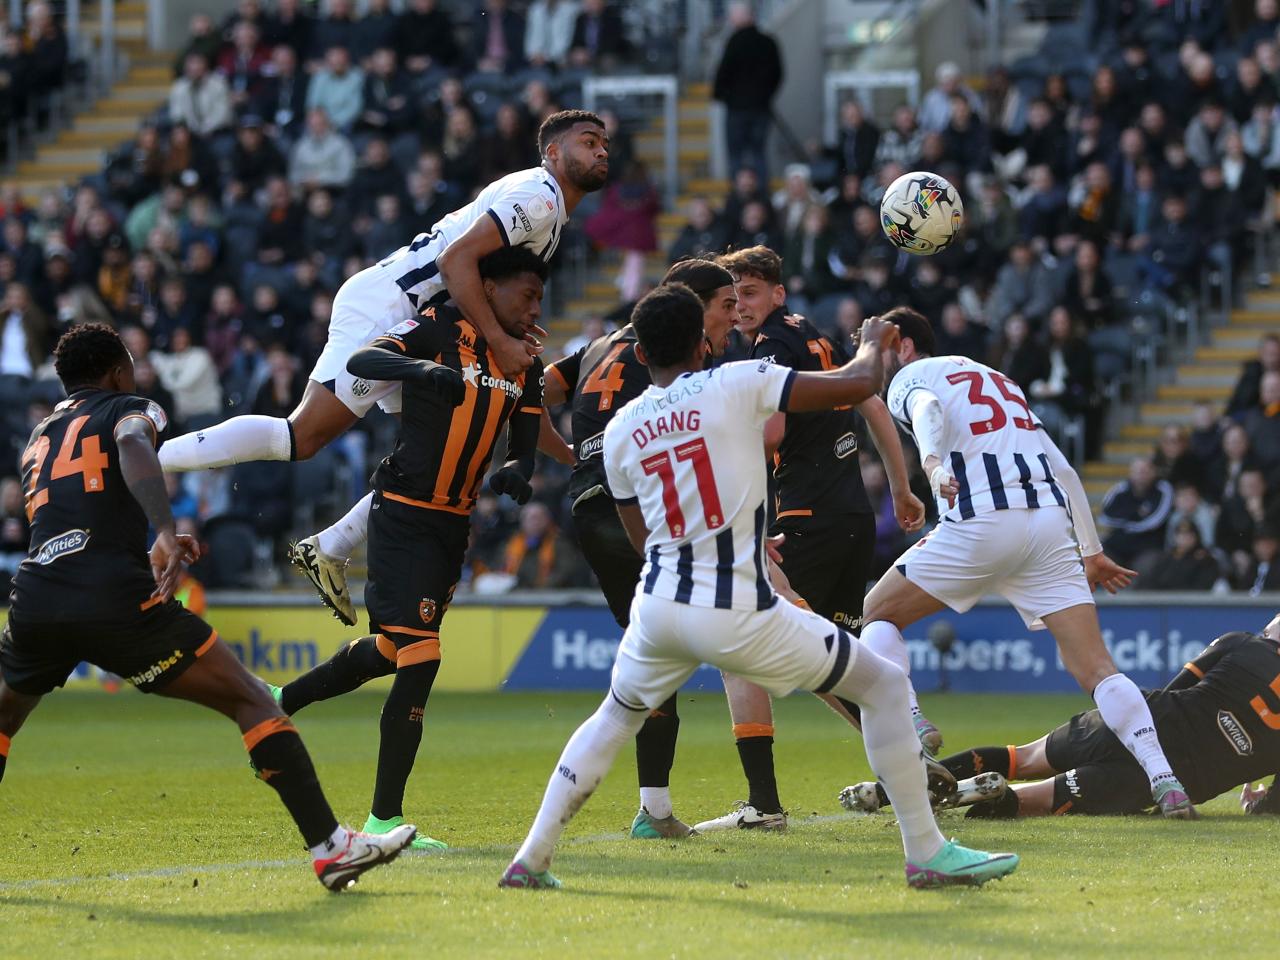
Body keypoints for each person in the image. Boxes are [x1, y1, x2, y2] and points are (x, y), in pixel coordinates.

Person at [499, 287, 1018, 890]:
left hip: (660, 606)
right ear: (701, 343)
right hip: (735, 605)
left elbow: (643, 538)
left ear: (640, 351)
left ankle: (530, 859)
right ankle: (927, 852)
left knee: (614, 717)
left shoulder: (619, 432)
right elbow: (852, 387)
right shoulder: (737, 380)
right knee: (884, 684)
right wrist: (876, 342)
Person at [0, 324, 415, 890]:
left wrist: (144, 550)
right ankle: (331, 848)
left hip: (36, 598)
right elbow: (130, 444)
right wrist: (167, 531)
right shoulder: (130, 407)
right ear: (117, 370)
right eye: (130, 361)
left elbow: (79, 519)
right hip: (112, 599)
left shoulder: (39, 435)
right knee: (251, 698)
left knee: (2, 722)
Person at [158, 110, 610, 624]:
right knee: (302, 436)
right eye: (588, 141)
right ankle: (152, 460)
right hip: (391, 308)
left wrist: (567, 450)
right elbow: (455, 262)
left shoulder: (548, 214)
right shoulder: (540, 197)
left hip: (424, 318)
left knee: (453, 445)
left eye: (604, 144)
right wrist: (499, 341)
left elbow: (488, 300)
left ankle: (330, 545)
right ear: (552, 152)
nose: (601, 151)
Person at [856, 309, 1199, 819]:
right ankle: (1164, 778)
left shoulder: (912, 376)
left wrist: (930, 463)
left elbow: (926, 407)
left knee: (877, 612)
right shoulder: (998, 379)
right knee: (1097, 668)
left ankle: (911, 719)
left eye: (876, 348)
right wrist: (1092, 549)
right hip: (1047, 525)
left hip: (983, 518)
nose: (872, 362)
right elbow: (1061, 465)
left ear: (902, 344)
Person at [264, 248, 548, 850]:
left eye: (540, 299)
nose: (534, 308)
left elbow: (524, 438)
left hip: (454, 524)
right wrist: (417, 371)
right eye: (525, 295)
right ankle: (383, 821)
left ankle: (280, 699)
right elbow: (362, 360)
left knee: (394, 648)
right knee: (421, 655)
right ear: (488, 287)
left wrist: (519, 472)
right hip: (402, 514)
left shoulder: (523, 358)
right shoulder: (441, 326)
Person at [692, 250, 926, 834]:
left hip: (805, 515)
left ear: (777, 294)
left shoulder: (768, 346)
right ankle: (918, 757)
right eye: (733, 296)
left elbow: (769, 430)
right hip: (851, 517)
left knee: (738, 645)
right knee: (837, 662)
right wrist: (900, 487)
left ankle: (764, 802)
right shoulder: (814, 337)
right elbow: (869, 400)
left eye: (748, 292)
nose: (739, 306)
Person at [539, 258, 744, 841]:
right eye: (725, 306)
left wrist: (567, 456)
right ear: (695, 305)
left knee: (658, 651)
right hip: (635, 505)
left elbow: (530, 393)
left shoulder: (597, 345)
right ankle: (651, 812)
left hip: (588, 503)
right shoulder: (677, 355)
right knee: (660, 655)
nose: (732, 320)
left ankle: (654, 809)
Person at [845, 614, 1280, 818]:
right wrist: (1255, 800)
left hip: (1135, 732)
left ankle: (886, 793)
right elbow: (1274, 807)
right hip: (1163, 783)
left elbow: (1174, 690)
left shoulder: (1241, 643)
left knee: (1021, 758)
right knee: (1033, 798)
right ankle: (991, 795)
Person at [712, 3, 783, 185]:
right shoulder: (768, 42)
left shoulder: (734, 41)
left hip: (737, 109)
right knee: (758, 153)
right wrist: (765, 97)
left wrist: (722, 95)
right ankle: (761, 197)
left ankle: (740, 197)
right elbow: (778, 74)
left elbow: (723, 73)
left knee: (736, 156)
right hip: (760, 108)